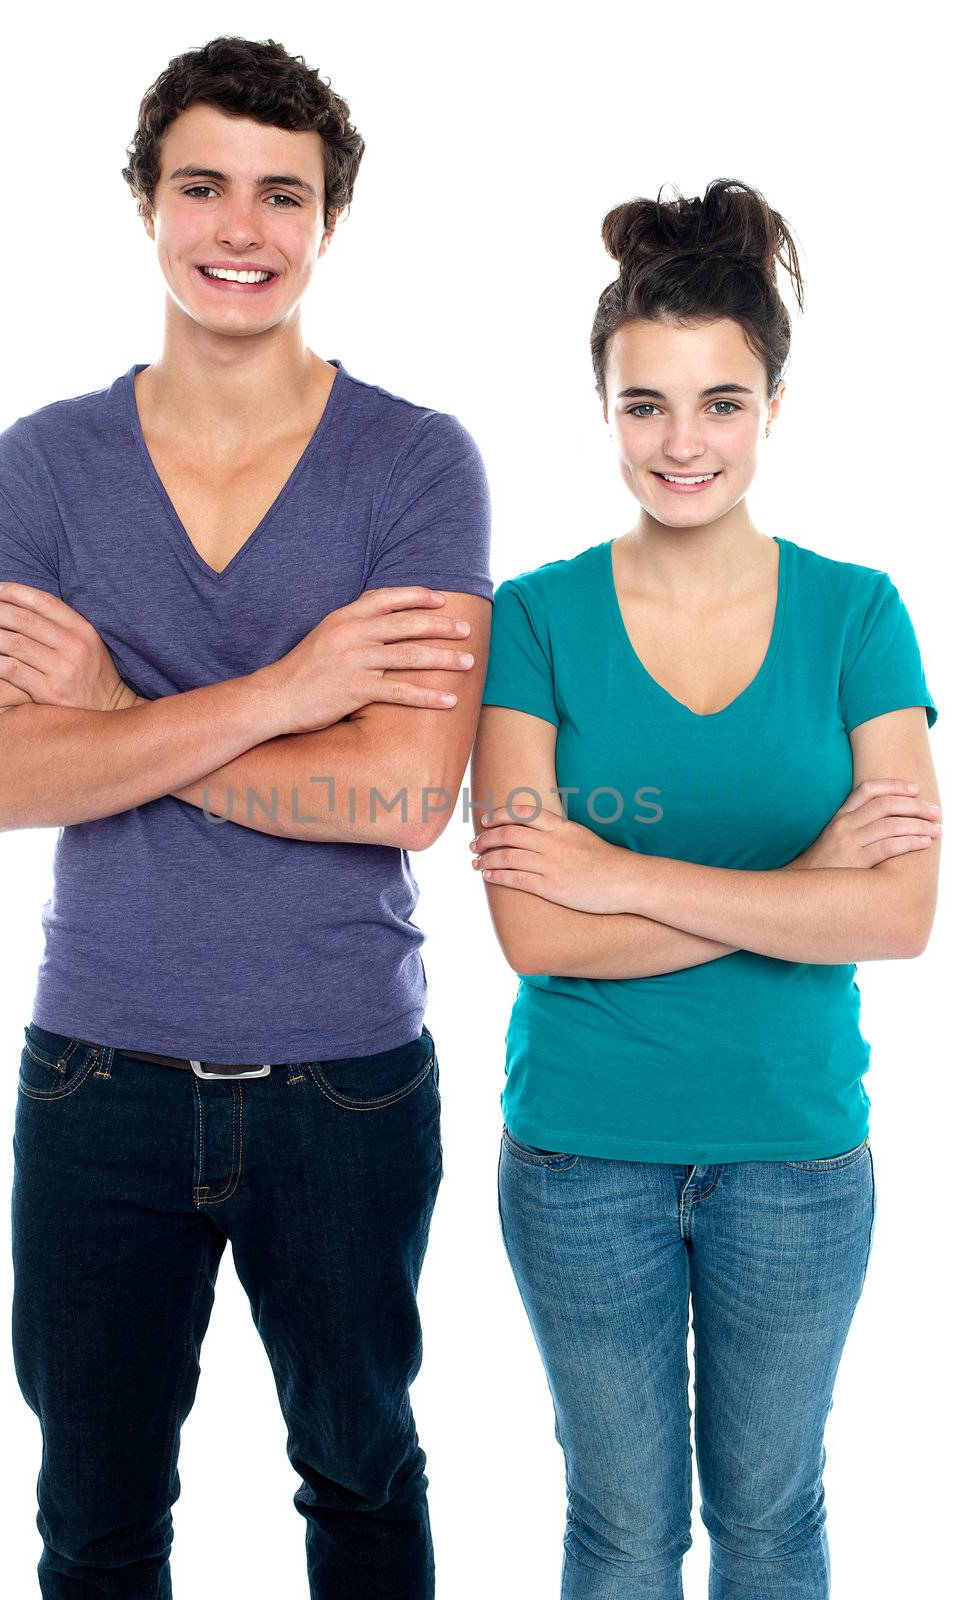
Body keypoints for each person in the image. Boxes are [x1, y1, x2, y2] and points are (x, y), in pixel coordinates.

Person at [0, 35, 492, 1600]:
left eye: (281, 195)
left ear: (329, 224)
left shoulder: (414, 465)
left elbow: (399, 790)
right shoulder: (38, 472)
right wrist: (287, 686)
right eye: (202, 187)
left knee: (364, 1481)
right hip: (97, 1078)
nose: (238, 229)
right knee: (95, 1518)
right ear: (144, 203)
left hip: (347, 1085)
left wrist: (112, 715)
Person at [469, 177, 940, 1599]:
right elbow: (531, 928)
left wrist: (619, 872)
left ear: (772, 409)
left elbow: (897, 915)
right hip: (578, 1158)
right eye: (646, 405)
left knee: (772, 1521)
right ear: (603, 409)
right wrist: (794, 887)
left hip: (793, 1158)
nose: (682, 444)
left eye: (719, 403)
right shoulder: (535, 617)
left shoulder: (858, 612)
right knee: (617, 1533)